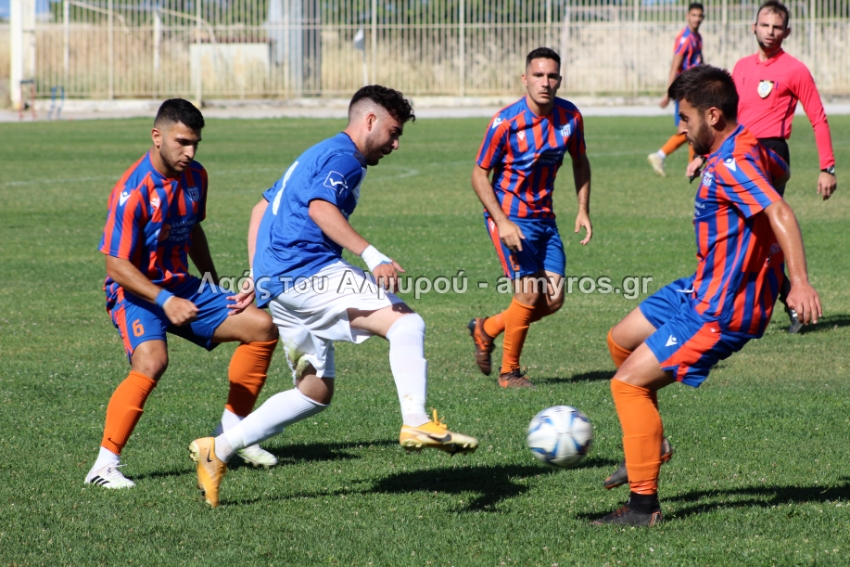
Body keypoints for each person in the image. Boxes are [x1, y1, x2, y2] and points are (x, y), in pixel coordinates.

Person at [188, 85, 479, 508]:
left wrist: (258, 275)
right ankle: (416, 421)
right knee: (407, 324)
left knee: (313, 392)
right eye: (393, 133)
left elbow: (260, 209)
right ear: (370, 121)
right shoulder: (345, 158)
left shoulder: (317, 152)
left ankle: (218, 448)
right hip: (310, 273)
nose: (395, 144)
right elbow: (320, 208)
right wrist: (373, 255)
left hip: (282, 286)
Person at [595, 65, 822, 526]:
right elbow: (777, 171)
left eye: (685, 118)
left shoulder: (735, 162)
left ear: (713, 115)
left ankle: (643, 508)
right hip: (699, 286)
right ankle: (651, 444)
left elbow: (778, 210)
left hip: (721, 308)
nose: (680, 128)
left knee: (627, 384)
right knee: (620, 340)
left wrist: (797, 281)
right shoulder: (744, 148)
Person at [85, 99, 280, 489]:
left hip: (182, 285)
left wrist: (211, 281)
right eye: (182, 142)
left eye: (195, 143)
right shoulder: (133, 190)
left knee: (261, 326)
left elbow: (193, 230)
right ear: (157, 137)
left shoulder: (196, 176)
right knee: (152, 361)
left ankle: (230, 436)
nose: (189, 152)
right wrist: (164, 300)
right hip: (135, 291)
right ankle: (103, 466)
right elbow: (116, 265)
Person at [685, 0, 837, 333]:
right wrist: (703, 155)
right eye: (765, 25)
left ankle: (762, 304)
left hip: (770, 154)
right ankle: (767, 303)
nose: (770, 32)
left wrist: (827, 167)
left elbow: (818, 118)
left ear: (787, 32)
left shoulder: (795, 70)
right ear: (753, 27)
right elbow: (726, 120)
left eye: (777, 27)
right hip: (734, 152)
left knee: (755, 236)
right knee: (748, 238)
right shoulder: (741, 67)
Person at [467, 47, 592, 389]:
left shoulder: (571, 117)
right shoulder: (506, 122)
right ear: (525, 79)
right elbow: (479, 174)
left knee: (552, 300)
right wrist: (502, 222)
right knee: (528, 294)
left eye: (551, 76)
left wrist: (583, 208)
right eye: (538, 75)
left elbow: (580, 161)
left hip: (545, 219)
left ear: (559, 80)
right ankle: (509, 373)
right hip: (510, 217)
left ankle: (486, 329)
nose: (545, 82)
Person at [647, 2, 705, 177]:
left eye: (699, 16)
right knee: (689, 128)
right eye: (694, 15)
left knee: (693, 128)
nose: (697, 19)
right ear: (687, 16)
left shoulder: (697, 37)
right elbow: (674, 66)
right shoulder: (684, 39)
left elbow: (699, 63)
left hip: (694, 90)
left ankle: (689, 166)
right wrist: (668, 93)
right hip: (685, 91)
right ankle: (661, 155)